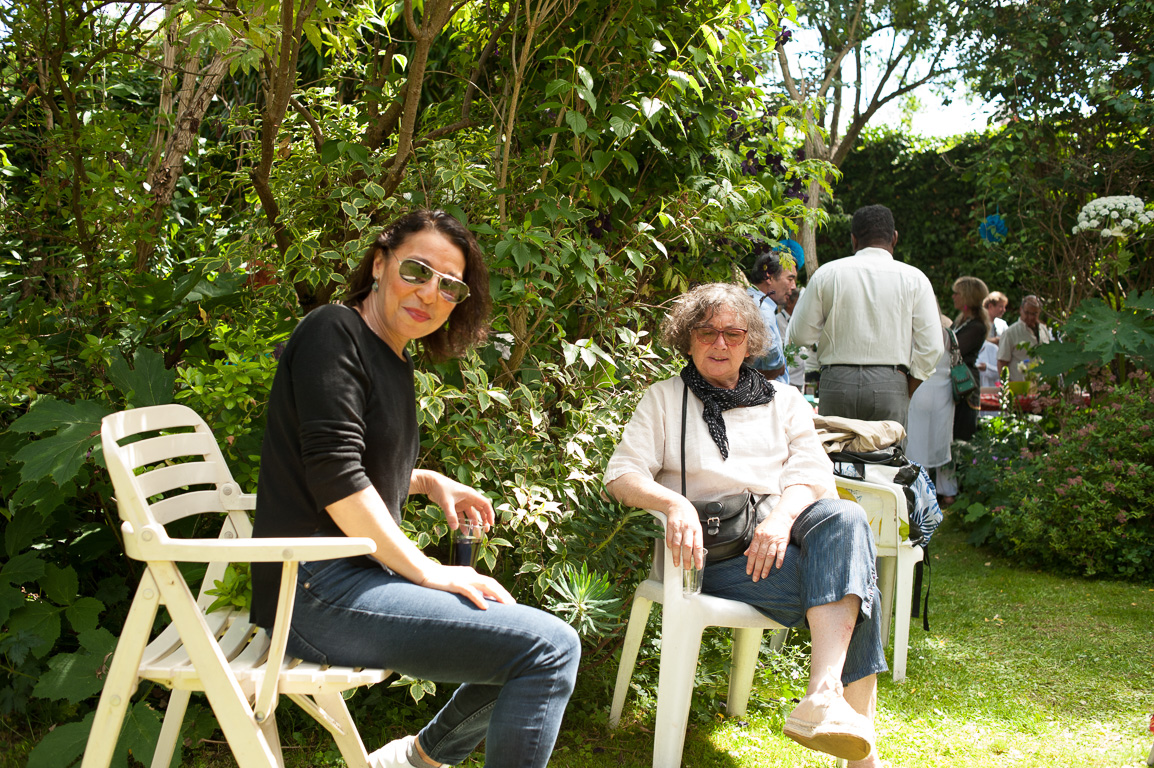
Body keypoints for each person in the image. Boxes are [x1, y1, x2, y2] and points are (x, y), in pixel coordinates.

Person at [250, 210, 580, 768]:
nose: (430, 292)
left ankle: (415, 761)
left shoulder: (391, 357)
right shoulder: (333, 331)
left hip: (345, 575)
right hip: (312, 588)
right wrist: (428, 571)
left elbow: (350, 465)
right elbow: (334, 477)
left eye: (448, 285)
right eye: (416, 270)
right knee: (548, 649)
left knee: (528, 638)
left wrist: (427, 481)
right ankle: (419, 761)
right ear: (379, 264)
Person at [604, 283, 887, 767]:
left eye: (733, 334)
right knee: (857, 590)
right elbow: (622, 475)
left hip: (783, 533)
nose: (720, 343)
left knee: (847, 515)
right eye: (707, 331)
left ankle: (823, 693)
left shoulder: (783, 399)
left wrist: (779, 518)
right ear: (686, 339)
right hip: (711, 555)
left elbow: (813, 472)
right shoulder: (664, 399)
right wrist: (674, 505)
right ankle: (857, 753)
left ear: (750, 342)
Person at [787, 204, 943, 428]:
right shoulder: (915, 279)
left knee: (837, 458)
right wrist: (907, 385)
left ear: (853, 240)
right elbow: (933, 347)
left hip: (837, 380)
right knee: (887, 460)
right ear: (895, 238)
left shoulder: (827, 275)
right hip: (891, 381)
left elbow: (801, 336)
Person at [905, 314, 956, 503]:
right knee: (942, 440)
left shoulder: (914, 333)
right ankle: (948, 490)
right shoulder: (949, 334)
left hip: (919, 387)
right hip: (945, 392)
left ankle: (920, 492)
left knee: (917, 442)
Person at [745, 248, 796, 384]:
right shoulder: (761, 308)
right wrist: (779, 367)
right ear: (769, 276)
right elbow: (769, 350)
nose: (793, 286)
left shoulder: (752, 299)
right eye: (790, 279)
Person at [951, 276, 990, 444]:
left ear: (967, 296)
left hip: (965, 386)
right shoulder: (962, 320)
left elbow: (955, 349)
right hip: (955, 382)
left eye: (956, 293)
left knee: (961, 435)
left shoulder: (976, 326)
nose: (953, 296)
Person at [998, 295, 1052, 382]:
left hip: (1041, 386)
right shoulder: (1010, 333)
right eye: (1027, 313)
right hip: (1019, 386)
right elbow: (1002, 362)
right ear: (1021, 310)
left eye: (1034, 314)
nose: (1030, 317)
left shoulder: (1043, 330)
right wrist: (1007, 386)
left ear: (1039, 312)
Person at [778, 286, 806, 393]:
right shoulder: (778, 321)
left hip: (799, 379)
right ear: (789, 303)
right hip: (785, 380)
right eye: (799, 303)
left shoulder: (801, 323)